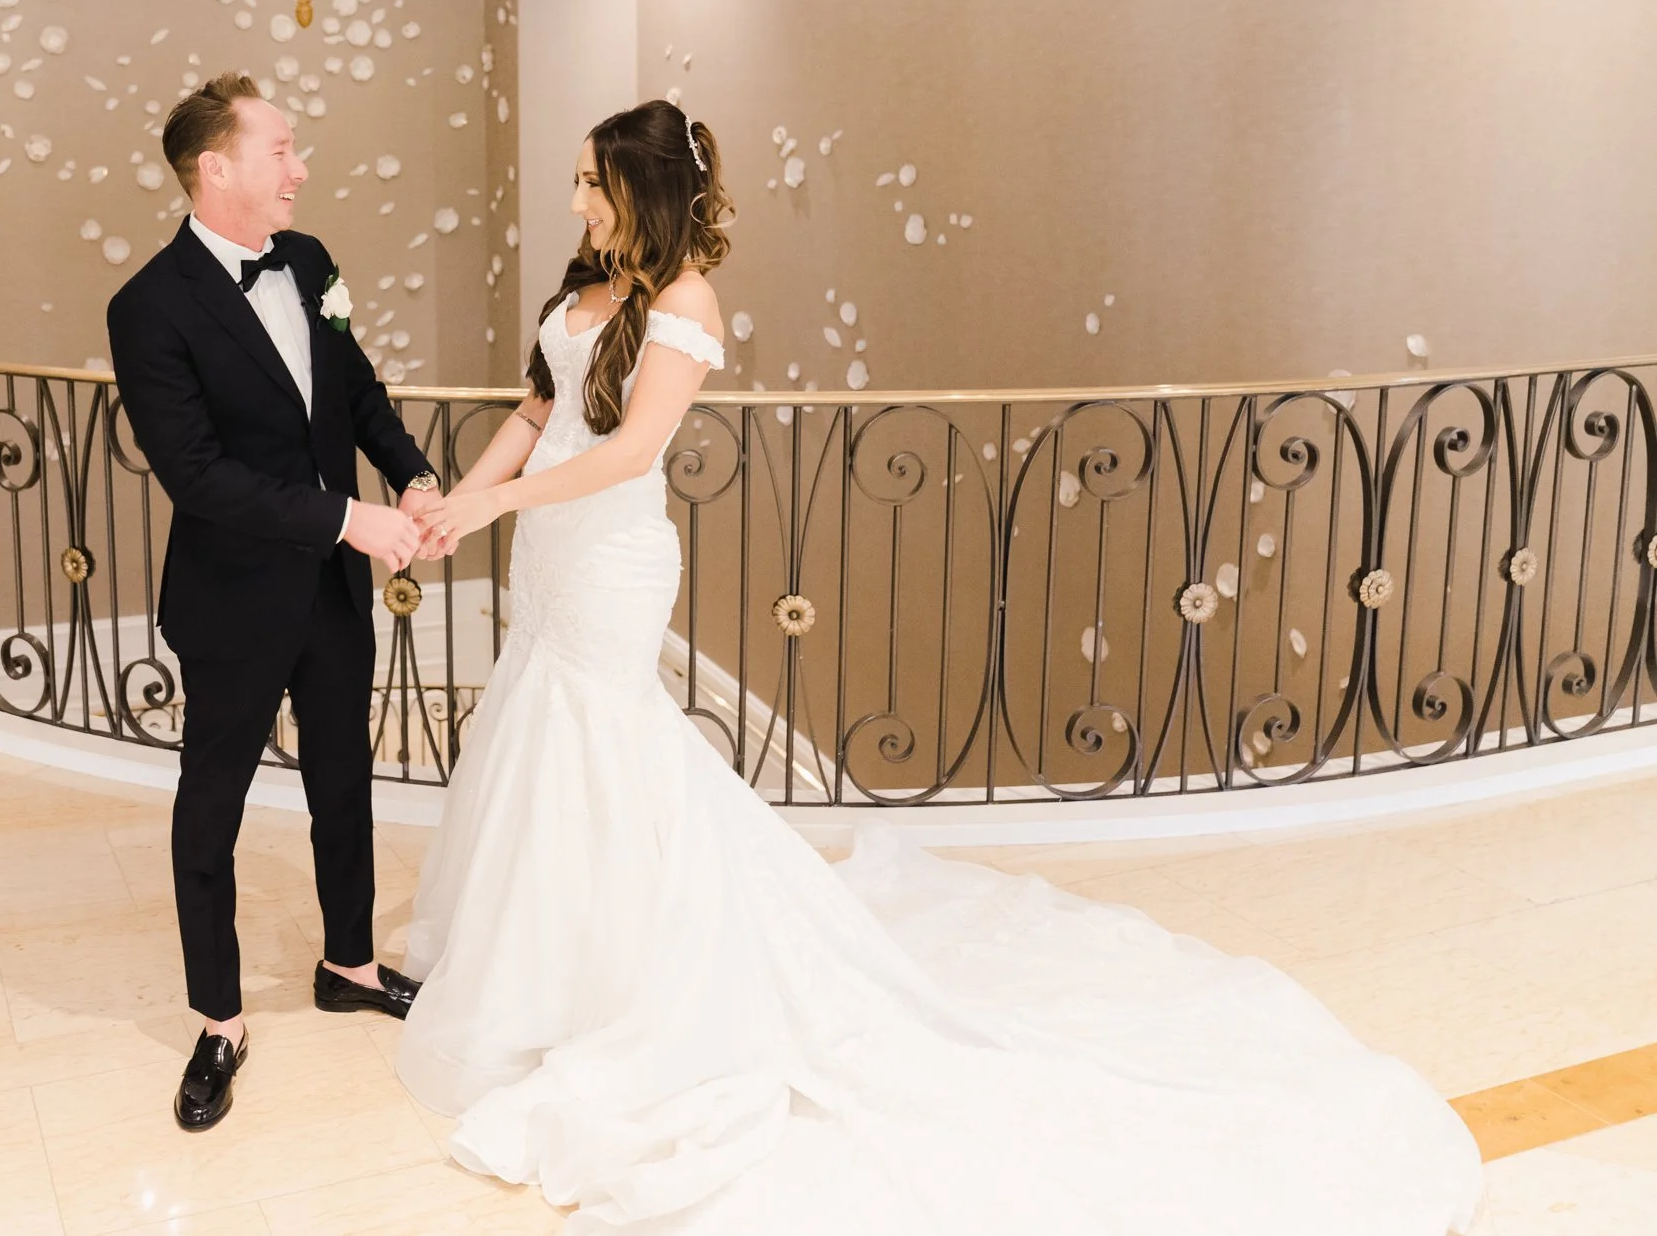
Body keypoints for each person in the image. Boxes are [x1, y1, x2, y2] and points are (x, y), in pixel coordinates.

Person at [391, 98, 1487, 1234]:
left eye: (592, 182)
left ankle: (625, 975)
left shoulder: (683, 302)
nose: (574, 199)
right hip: (553, 551)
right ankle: (541, 959)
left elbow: (630, 449)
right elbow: (538, 411)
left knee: (603, 741)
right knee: (541, 726)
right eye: (578, 179)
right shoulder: (590, 281)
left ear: (643, 190)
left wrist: (494, 507)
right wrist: (459, 503)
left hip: (612, 556)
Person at [106, 71, 445, 1132]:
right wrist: (350, 518)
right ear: (217, 168)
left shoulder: (309, 260)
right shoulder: (147, 306)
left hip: (332, 593)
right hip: (234, 599)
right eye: (282, 149)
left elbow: (357, 391)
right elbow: (198, 475)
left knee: (344, 779)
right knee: (210, 809)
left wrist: (412, 473)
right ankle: (218, 1019)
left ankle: (349, 963)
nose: (301, 168)